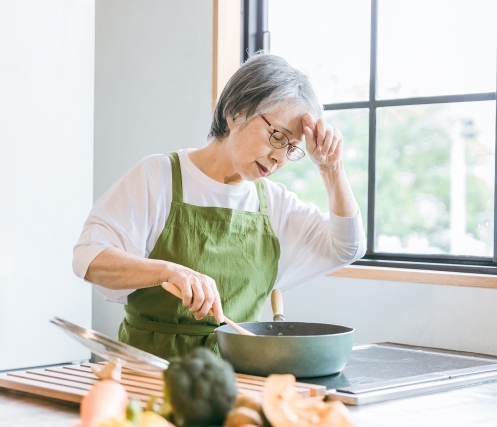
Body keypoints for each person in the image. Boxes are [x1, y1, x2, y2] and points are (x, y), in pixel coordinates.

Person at [72, 54, 366, 359]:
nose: (280, 158)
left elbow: (348, 246)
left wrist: (332, 169)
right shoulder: (157, 176)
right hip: (148, 371)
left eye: (291, 148)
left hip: (235, 375)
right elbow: (89, 259)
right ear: (236, 112)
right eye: (277, 136)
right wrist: (169, 272)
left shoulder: (275, 204)